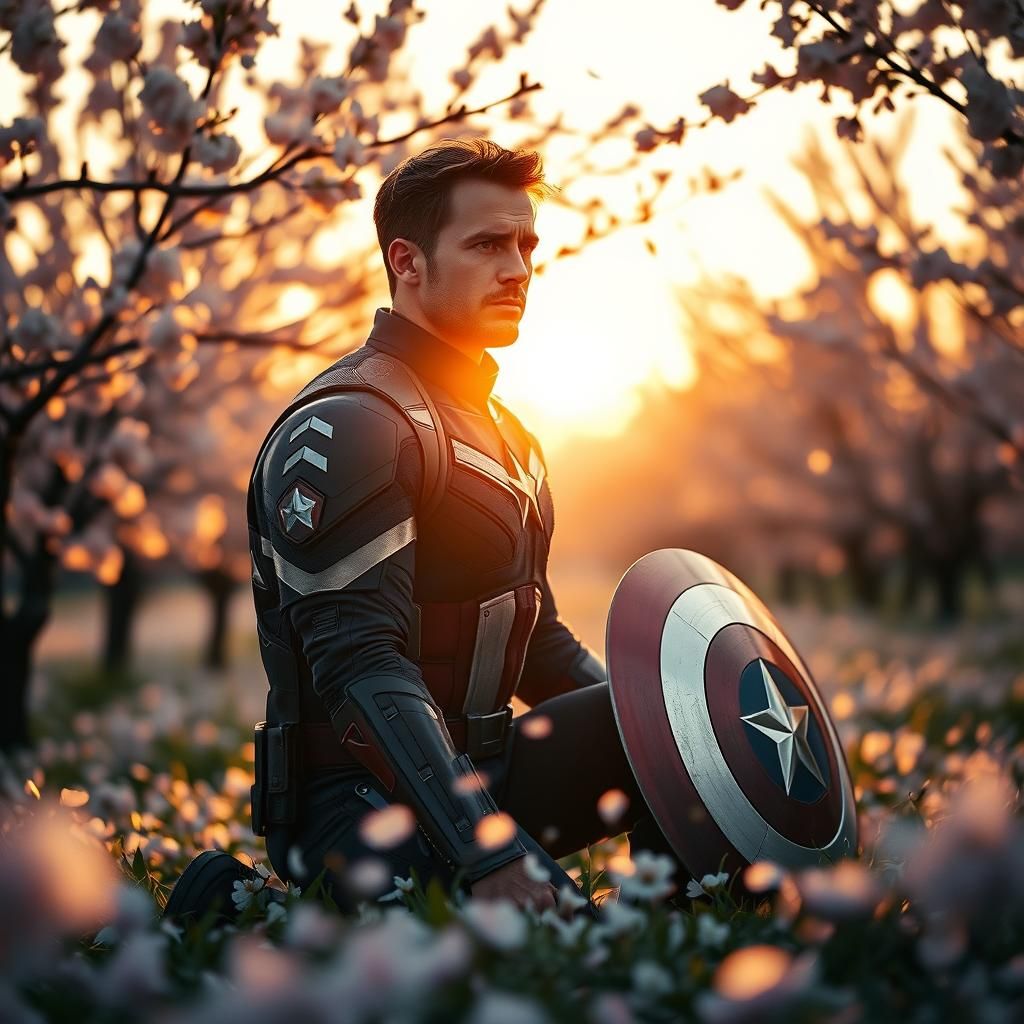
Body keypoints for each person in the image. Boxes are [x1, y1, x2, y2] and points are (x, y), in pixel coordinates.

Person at [172, 137, 683, 923]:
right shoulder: (352, 423)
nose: (517, 269)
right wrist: (490, 853)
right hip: (356, 803)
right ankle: (242, 912)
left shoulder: (511, 436)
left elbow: (535, 640)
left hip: (487, 773)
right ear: (406, 262)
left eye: (525, 246)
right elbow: (359, 661)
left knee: (669, 725)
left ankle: (683, 910)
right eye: (487, 245)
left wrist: (675, 739)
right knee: (573, 954)